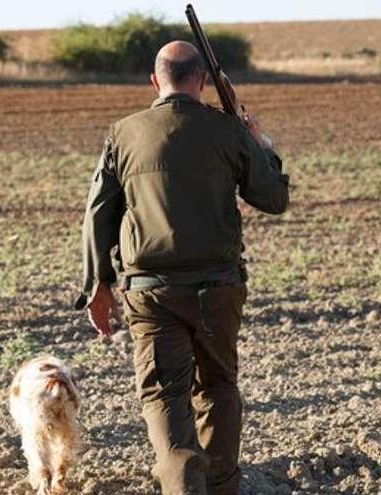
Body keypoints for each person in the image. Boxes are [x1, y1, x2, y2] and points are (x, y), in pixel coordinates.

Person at [75, 40, 289, 495]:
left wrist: (98, 284)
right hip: (219, 289)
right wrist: (258, 142)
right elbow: (273, 198)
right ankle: (221, 488)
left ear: (155, 81)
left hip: (150, 292)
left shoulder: (123, 133)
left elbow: (98, 214)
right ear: (203, 82)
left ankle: (183, 487)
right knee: (218, 388)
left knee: (164, 397)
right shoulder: (228, 131)